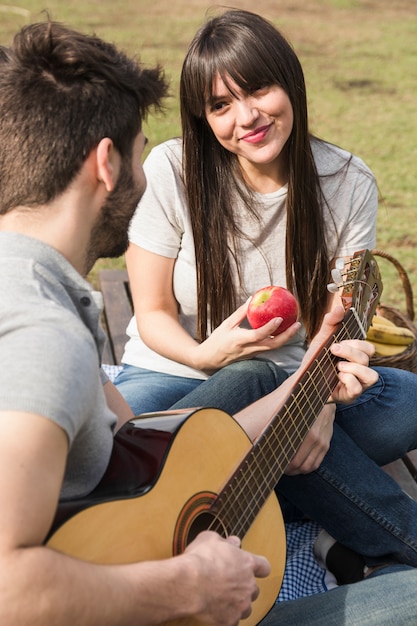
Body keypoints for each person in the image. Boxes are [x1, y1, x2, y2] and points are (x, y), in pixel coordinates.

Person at [0, 17, 394, 625]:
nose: (144, 175)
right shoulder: (42, 337)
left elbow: (141, 448)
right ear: (108, 165)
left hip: (160, 533)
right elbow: (9, 586)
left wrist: (312, 391)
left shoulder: (54, 305)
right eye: (137, 157)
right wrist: (189, 588)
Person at [114, 8, 417, 580]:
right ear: (202, 118)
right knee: (173, 422)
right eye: (220, 105)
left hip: (302, 375)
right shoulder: (172, 169)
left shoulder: (347, 181)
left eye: (258, 89)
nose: (246, 118)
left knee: (405, 406)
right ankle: (380, 534)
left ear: (291, 82)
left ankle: (257, 484)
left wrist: (320, 403)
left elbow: (343, 319)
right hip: (178, 375)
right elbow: (152, 312)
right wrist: (207, 356)